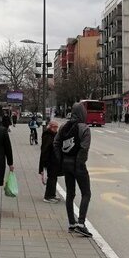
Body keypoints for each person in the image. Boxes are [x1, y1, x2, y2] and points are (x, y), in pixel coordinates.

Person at [54, 102, 93, 238]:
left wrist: (61, 159)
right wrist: (80, 163)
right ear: (83, 113)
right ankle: (81, 224)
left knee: (70, 194)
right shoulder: (84, 128)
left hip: (66, 164)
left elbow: (56, 143)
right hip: (78, 166)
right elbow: (84, 148)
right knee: (86, 193)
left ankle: (71, 222)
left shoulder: (64, 127)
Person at [39, 120, 61, 203]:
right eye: (55, 127)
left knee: (54, 178)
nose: (56, 129)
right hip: (50, 161)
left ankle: (52, 195)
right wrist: (44, 163)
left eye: (57, 127)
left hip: (53, 161)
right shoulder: (48, 136)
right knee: (51, 179)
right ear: (51, 127)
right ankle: (48, 196)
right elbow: (45, 150)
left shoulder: (53, 135)